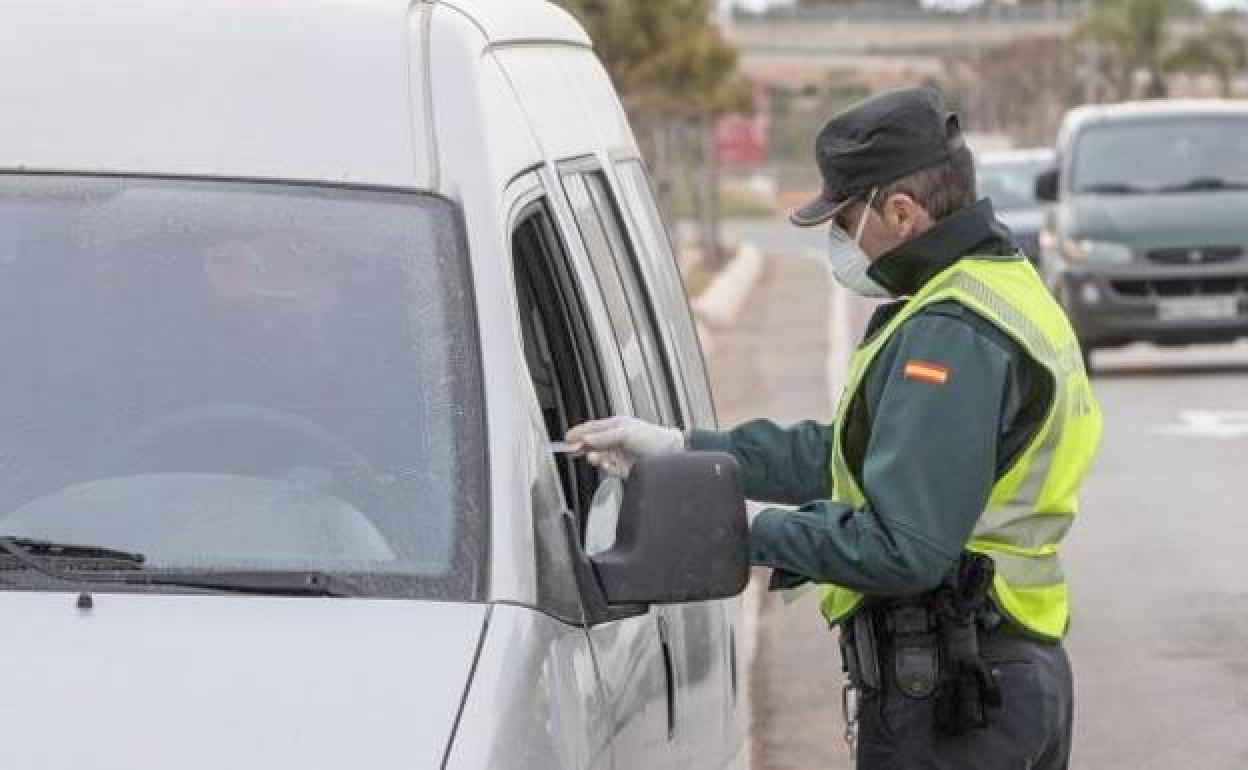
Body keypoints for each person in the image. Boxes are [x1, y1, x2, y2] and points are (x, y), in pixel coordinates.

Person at [567, 86, 1103, 770]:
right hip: (996, 675)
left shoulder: (950, 333)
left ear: (902, 213)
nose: (841, 242)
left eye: (846, 220)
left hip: (957, 696)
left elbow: (902, 547)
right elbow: (853, 455)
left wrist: (741, 522)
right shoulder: (989, 286)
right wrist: (683, 451)